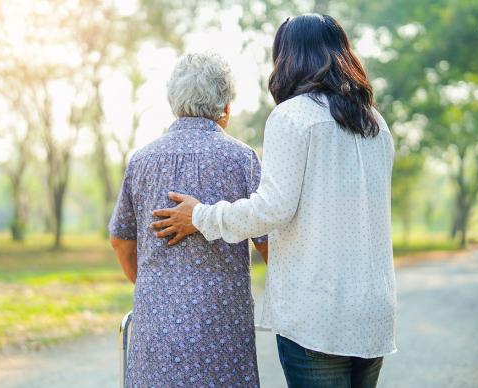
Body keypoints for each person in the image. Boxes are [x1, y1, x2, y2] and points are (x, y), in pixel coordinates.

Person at [150, 14, 396, 388]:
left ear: (287, 59)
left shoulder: (293, 116)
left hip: (318, 314)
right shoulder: (375, 123)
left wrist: (200, 215)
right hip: (372, 310)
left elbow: (271, 209)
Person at [108, 52, 268, 387]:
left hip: (156, 325)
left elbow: (121, 240)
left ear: (173, 102)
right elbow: (268, 243)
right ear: (225, 107)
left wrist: (155, 290)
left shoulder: (142, 161)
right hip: (223, 327)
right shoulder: (242, 160)